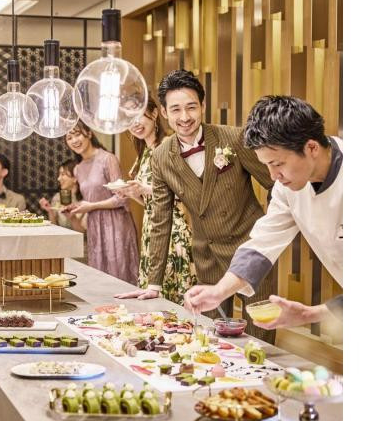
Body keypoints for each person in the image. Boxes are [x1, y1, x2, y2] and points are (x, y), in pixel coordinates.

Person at [112, 70, 275, 342]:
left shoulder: (233, 139)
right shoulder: (161, 157)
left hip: (250, 250)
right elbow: (160, 220)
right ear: (164, 112)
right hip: (206, 256)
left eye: (191, 107)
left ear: (203, 106)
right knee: (211, 337)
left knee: (261, 333)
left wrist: (268, 234)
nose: (184, 117)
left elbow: (276, 184)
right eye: (176, 109)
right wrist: (154, 283)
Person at [184, 95, 343, 330]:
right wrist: (219, 291)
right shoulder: (287, 187)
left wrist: (310, 314)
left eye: (277, 164)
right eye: (266, 165)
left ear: (311, 147)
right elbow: (262, 243)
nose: (272, 176)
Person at [113, 96, 196, 305]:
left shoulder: (169, 145)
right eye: (129, 119)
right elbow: (152, 201)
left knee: (172, 294)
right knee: (154, 295)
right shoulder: (144, 152)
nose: (135, 124)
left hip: (173, 228)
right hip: (151, 229)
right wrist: (132, 193)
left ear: (155, 113)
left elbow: (184, 190)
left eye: (139, 115)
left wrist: (145, 188)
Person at [64, 120, 140, 285]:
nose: (74, 140)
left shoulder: (107, 159)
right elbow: (91, 197)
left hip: (116, 224)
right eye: (69, 138)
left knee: (119, 273)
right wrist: (77, 206)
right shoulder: (78, 168)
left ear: (89, 133)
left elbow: (121, 197)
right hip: (95, 226)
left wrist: (91, 206)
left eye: (77, 135)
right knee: (99, 275)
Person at [38, 159, 88, 263]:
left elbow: (81, 234)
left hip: (82, 250)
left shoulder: (86, 200)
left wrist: (72, 217)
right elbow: (55, 229)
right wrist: (50, 211)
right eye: (59, 174)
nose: (58, 178)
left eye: (63, 174)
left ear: (75, 178)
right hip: (61, 246)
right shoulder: (57, 197)